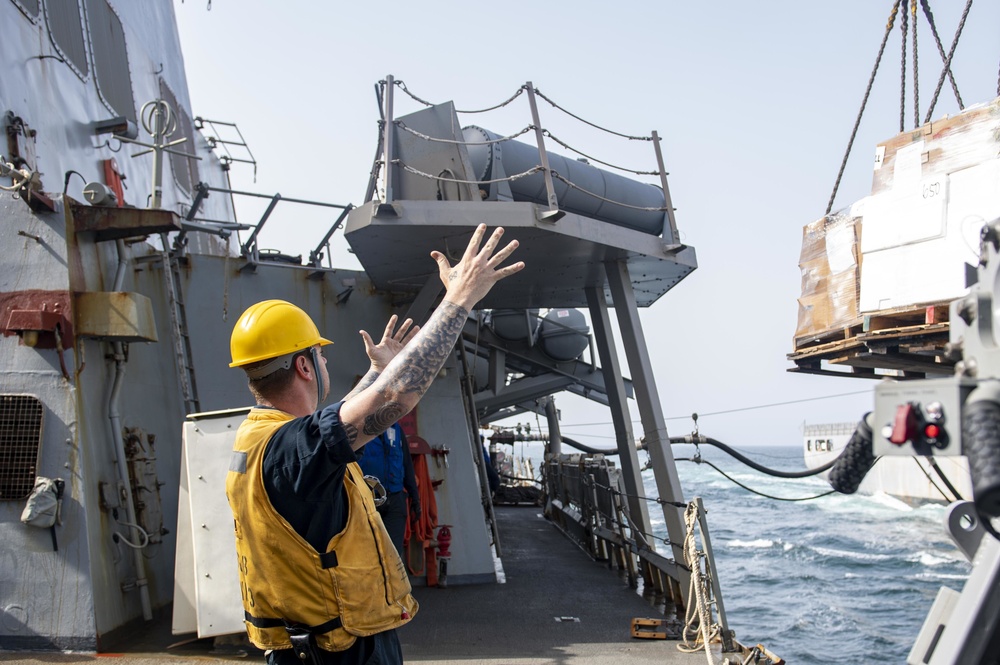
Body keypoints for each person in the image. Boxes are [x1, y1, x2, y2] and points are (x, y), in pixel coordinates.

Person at [225, 225, 522, 665]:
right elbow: (394, 399)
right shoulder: (292, 447)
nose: (326, 362)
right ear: (305, 367)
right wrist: (459, 299)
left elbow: (336, 425)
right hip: (336, 652)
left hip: (318, 645)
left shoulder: (265, 438)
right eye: (321, 356)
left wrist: (378, 371)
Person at [355, 421, 420, 558]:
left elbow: (407, 464)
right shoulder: (358, 428)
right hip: (367, 501)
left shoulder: (396, 430)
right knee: (367, 553)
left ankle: (392, 579)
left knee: (393, 554)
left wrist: (415, 498)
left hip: (395, 500)